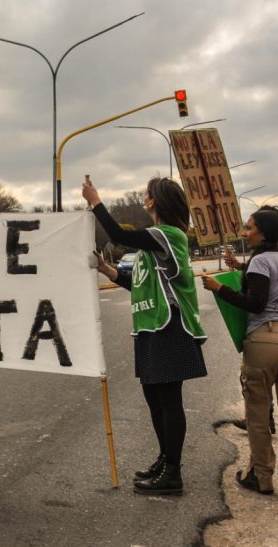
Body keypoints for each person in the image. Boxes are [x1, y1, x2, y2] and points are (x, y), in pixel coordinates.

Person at [84, 175, 207, 496]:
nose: (143, 196)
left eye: (147, 193)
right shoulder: (154, 245)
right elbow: (137, 284)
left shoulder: (169, 234)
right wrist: (107, 270)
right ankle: (165, 459)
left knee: (169, 400)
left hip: (170, 327)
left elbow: (117, 234)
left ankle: (173, 473)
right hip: (151, 328)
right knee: (155, 399)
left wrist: (95, 202)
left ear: (154, 201)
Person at [201, 208, 278, 509]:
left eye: (249, 227)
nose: (245, 232)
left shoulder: (261, 260)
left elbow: (256, 303)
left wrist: (219, 288)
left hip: (265, 341)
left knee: (258, 413)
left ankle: (261, 476)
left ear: (263, 232)